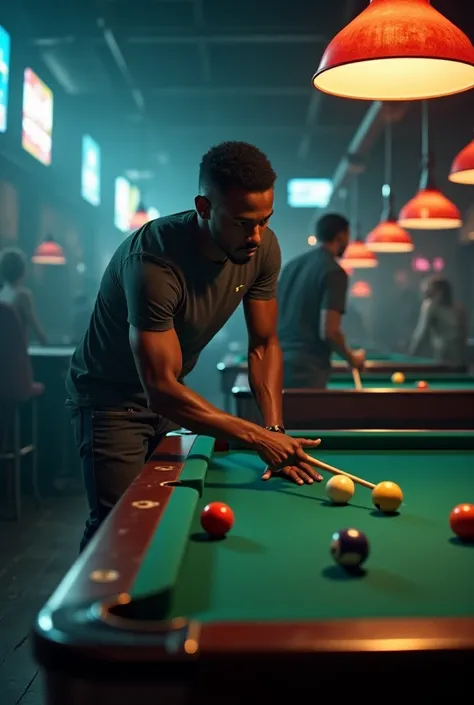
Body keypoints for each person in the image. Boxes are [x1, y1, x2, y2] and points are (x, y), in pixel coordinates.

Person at [66, 141, 323, 550]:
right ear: (204, 208)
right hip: (110, 400)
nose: (256, 236)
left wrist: (273, 428)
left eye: (264, 220)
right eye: (241, 222)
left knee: (164, 512)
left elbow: (264, 344)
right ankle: (90, 610)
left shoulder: (262, 247)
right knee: (118, 527)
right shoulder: (152, 263)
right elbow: (161, 389)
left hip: (168, 395)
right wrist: (256, 437)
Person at [277, 213, 365, 388]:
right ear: (341, 236)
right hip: (307, 369)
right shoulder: (334, 272)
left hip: (277, 362)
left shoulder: (291, 267)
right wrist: (352, 358)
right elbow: (329, 331)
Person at [409, 274, 467, 368]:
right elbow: (464, 334)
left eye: (428, 289)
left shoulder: (429, 305)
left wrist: (410, 356)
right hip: (457, 358)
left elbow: (421, 333)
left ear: (439, 291)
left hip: (443, 358)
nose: (424, 292)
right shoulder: (459, 307)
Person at [0, 246, 48, 345]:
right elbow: (38, 332)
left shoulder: (2, 295)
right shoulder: (23, 296)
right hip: (16, 355)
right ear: (23, 271)